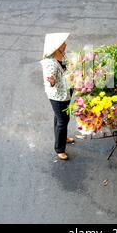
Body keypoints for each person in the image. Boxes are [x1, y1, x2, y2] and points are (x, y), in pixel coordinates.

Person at [40, 33, 74, 161]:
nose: (65, 44)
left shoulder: (62, 55)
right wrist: (51, 81)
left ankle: (63, 137)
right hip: (58, 97)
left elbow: (68, 67)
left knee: (60, 117)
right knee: (62, 121)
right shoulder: (51, 63)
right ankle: (60, 149)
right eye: (63, 43)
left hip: (66, 93)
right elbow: (50, 80)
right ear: (57, 46)